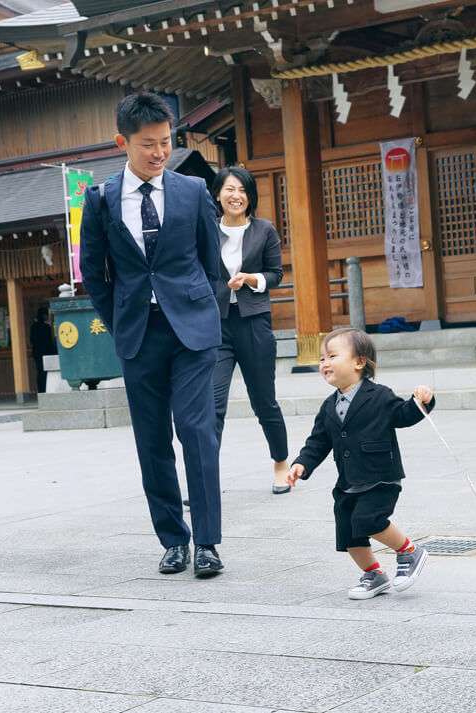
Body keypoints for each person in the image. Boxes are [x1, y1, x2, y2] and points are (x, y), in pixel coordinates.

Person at [80, 92, 225, 578]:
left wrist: (211, 319)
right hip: (139, 334)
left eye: (165, 142)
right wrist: (121, 317)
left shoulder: (191, 191)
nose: (159, 153)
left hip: (193, 332)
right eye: (148, 144)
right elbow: (94, 273)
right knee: (152, 438)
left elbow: (212, 265)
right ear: (123, 141)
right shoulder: (99, 199)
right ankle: (172, 540)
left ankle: (207, 542)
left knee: (195, 429)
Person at [287, 327, 435, 600]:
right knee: (348, 533)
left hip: (380, 476)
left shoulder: (378, 395)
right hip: (348, 481)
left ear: (358, 362)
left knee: (369, 520)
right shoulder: (329, 406)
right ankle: (374, 574)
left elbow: (402, 415)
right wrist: (302, 464)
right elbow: (318, 442)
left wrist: (421, 402)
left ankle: (409, 552)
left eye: (332, 356)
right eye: (322, 359)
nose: (324, 363)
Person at [210, 166, 291, 494]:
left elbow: (276, 273)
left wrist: (251, 279)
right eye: (229, 189)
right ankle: (205, 476)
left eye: (242, 190)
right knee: (212, 404)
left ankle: (281, 463)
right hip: (216, 326)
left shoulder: (264, 230)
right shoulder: (206, 231)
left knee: (264, 401)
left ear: (249, 196)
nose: (236, 196)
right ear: (218, 194)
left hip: (254, 323)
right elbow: (196, 274)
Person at [29, 307, 55, 393]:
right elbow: (50, 341)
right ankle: (47, 389)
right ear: (44, 316)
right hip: (47, 353)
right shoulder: (46, 327)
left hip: (37, 353)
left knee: (40, 372)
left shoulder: (33, 327)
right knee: (48, 372)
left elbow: (32, 340)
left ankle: (41, 390)